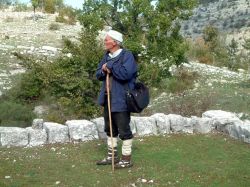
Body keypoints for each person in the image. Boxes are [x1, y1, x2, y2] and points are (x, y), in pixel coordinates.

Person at [96, 30, 137, 168]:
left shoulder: (127, 56)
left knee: (124, 129)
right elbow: (98, 74)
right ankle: (111, 156)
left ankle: (126, 159)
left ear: (115, 42)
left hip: (122, 99)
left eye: (107, 39)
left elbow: (125, 74)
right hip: (108, 98)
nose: (105, 41)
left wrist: (110, 66)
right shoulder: (106, 56)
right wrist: (103, 70)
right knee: (110, 128)